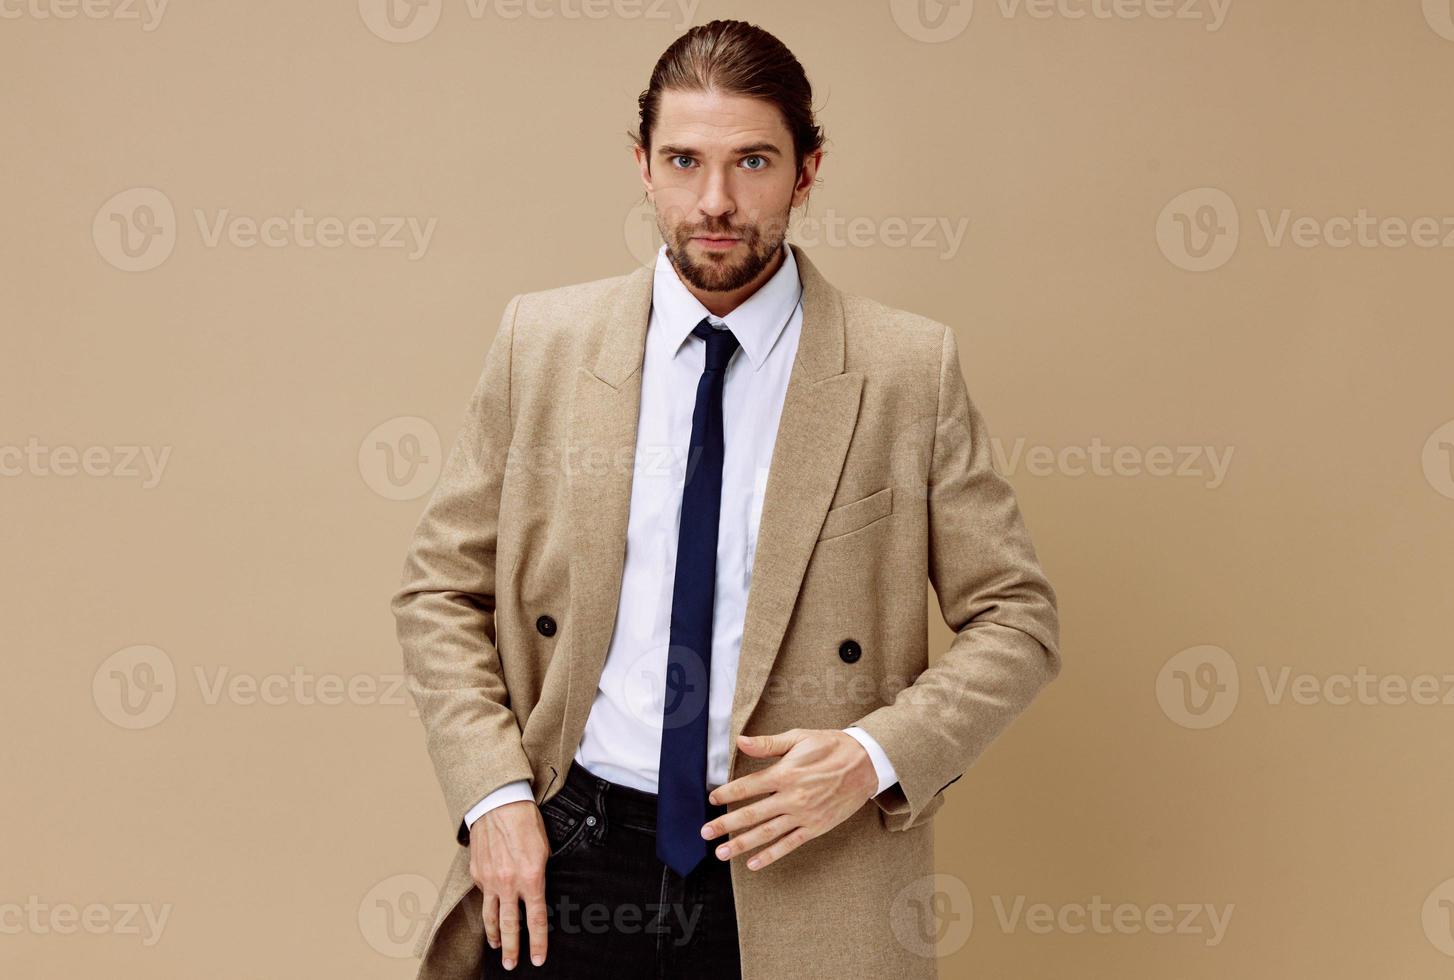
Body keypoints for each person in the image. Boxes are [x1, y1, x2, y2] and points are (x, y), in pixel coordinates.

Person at [392, 19, 1061, 980]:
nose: (716, 200)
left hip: (802, 860)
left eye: (752, 161)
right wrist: (493, 792)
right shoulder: (540, 345)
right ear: (643, 166)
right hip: (568, 847)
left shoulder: (906, 368)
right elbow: (437, 593)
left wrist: (873, 755)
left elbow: (1017, 619)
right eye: (684, 160)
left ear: (807, 169)